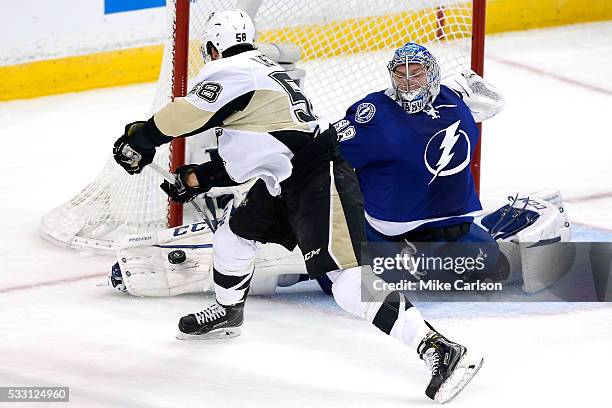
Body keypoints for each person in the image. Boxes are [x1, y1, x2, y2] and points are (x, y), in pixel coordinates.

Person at [112, 10, 482, 403]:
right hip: (285, 178)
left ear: (212, 48)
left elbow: (184, 115)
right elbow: (255, 150)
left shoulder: (232, 70)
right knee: (233, 239)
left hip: (318, 177)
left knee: (347, 283)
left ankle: (439, 348)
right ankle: (228, 313)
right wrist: (198, 178)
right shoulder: (261, 69)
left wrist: (141, 138)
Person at [335, 42, 505, 280]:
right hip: (397, 234)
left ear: (432, 73)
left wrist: (463, 83)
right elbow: (330, 152)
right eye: (400, 75)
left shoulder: (451, 98)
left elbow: (495, 101)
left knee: (498, 268)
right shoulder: (376, 112)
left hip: (442, 230)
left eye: (416, 73)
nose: (407, 82)